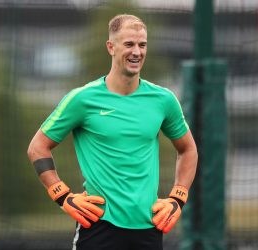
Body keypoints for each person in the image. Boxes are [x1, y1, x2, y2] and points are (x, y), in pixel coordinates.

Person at [27, 14, 197, 250]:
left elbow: (188, 149)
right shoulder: (82, 99)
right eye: (129, 44)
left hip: (148, 228)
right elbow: (37, 147)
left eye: (142, 45)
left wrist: (177, 199)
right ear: (111, 47)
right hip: (98, 226)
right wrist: (62, 195)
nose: (136, 52)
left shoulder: (164, 100)